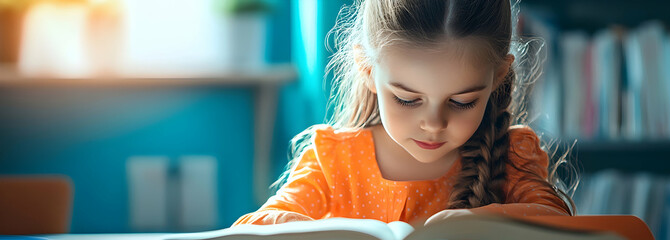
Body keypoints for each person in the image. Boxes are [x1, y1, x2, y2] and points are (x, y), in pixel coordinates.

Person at [233, 0, 576, 226]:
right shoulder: (333, 160)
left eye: (461, 102)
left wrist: (475, 226)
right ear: (367, 70)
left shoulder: (513, 156)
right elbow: (254, 228)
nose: (433, 124)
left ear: (498, 77)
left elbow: (559, 224)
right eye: (407, 99)